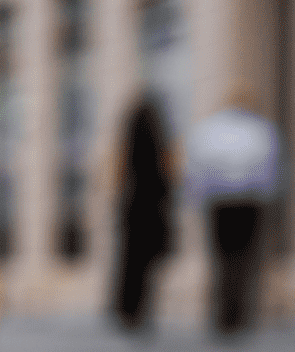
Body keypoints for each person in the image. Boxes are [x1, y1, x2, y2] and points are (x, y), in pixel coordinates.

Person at [184, 85, 284, 337]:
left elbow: (197, 168)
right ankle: (238, 315)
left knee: (224, 260)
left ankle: (225, 316)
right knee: (244, 260)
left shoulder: (210, 129)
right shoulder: (259, 129)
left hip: (221, 202)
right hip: (247, 202)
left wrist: (197, 197)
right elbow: (270, 169)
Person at [111, 97, 175, 333]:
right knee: (145, 266)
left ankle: (127, 309)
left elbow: (117, 178)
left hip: (132, 210)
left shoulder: (127, 150)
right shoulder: (159, 150)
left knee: (130, 262)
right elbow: (168, 180)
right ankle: (139, 311)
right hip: (152, 211)